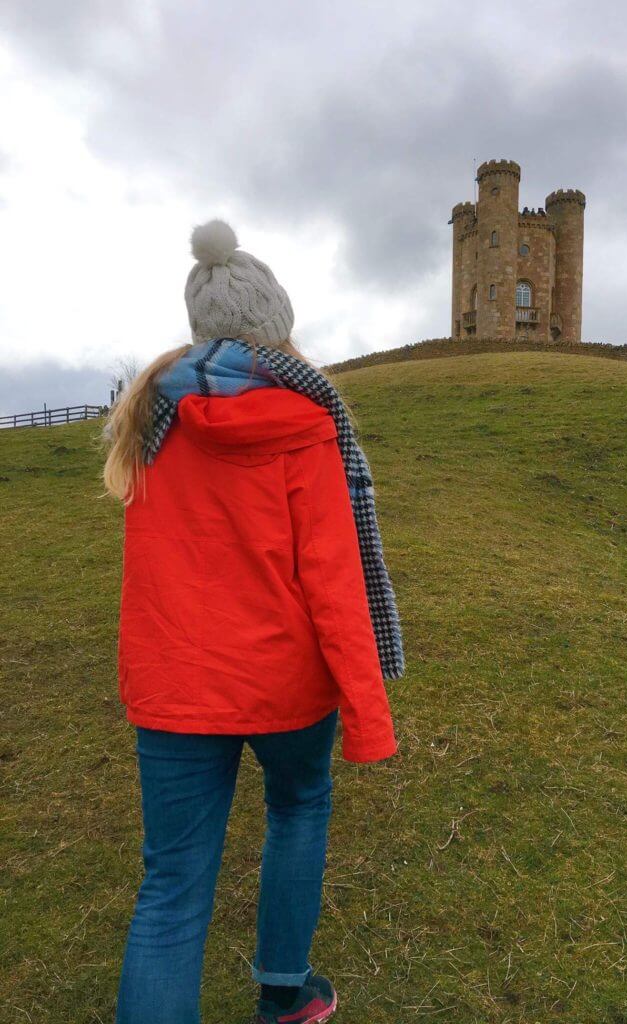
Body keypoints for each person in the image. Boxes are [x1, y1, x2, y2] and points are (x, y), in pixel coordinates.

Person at [101, 219, 404, 1024]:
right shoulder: (310, 423)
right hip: (286, 684)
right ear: (277, 326)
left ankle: (281, 986)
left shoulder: (145, 422)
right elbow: (336, 583)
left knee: (170, 886)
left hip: (172, 682)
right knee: (300, 808)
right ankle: (283, 993)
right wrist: (370, 716)